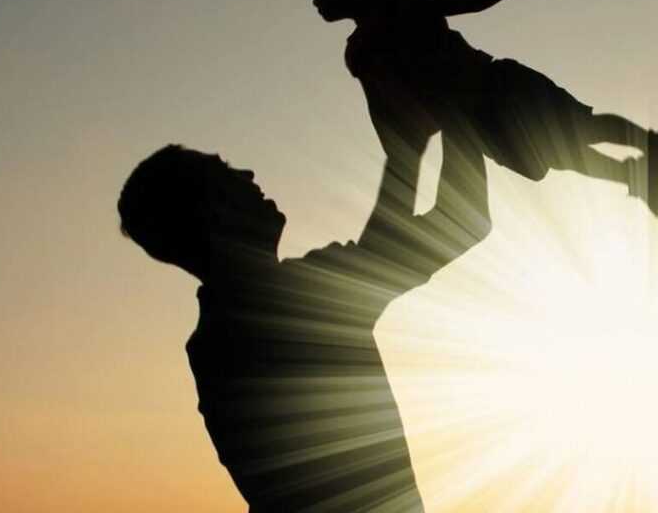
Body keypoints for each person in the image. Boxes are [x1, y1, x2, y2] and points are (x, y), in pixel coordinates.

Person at [117, 134, 489, 511]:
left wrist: (409, 148)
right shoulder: (268, 314)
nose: (247, 174)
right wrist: (442, 127)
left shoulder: (232, 331)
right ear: (211, 213)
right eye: (225, 173)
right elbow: (453, 224)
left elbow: (427, 234)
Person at [308, 0, 658, 219]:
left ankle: (651, 145)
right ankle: (633, 177)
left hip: (498, 87)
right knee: (559, 157)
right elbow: (386, 112)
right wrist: (402, 162)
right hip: (474, 125)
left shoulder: (403, 3)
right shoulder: (360, 53)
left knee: (580, 128)